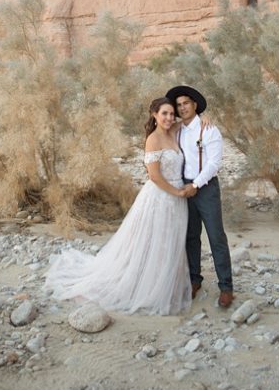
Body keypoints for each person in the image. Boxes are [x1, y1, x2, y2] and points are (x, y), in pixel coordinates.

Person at [44, 97, 193, 315]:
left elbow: (191, 120)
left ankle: (165, 283)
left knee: (169, 241)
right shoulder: (154, 139)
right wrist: (178, 192)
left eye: (172, 114)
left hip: (177, 201)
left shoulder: (173, 131)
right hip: (161, 197)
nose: (170, 117)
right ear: (154, 114)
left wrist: (203, 118)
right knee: (153, 241)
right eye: (165, 114)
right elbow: (154, 176)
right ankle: (145, 286)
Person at [166, 85, 234, 308]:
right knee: (190, 237)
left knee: (216, 237)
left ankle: (226, 287)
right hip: (183, 189)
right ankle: (195, 280)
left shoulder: (209, 129)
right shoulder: (176, 129)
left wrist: (196, 184)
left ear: (195, 105)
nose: (182, 107)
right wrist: (187, 186)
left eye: (186, 103)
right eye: (179, 105)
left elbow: (214, 163)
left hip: (205, 188)